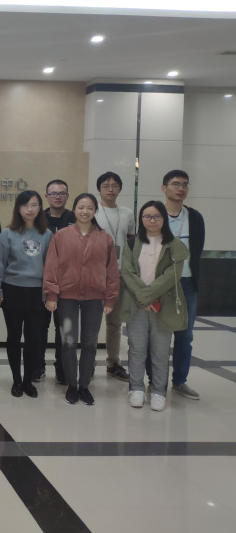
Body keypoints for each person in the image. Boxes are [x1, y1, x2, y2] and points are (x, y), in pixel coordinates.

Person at [43, 193, 119, 406]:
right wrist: (51, 294)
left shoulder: (105, 238)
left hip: (94, 298)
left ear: (95, 211)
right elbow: (51, 266)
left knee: (89, 343)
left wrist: (110, 298)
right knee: (68, 341)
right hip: (66, 298)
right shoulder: (61, 236)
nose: (85, 211)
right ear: (74, 210)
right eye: (81, 207)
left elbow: (112, 271)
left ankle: (84, 384)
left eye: (89, 208)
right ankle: (72, 384)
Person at [120, 201, 188, 412]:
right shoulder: (132, 243)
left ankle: (158, 391)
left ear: (164, 219)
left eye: (156, 216)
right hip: (137, 305)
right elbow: (127, 272)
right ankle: (136, 388)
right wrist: (143, 297)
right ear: (141, 219)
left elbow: (172, 275)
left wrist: (148, 296)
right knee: (137, 349)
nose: (151, 220)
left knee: (160, 351)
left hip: (162, 305)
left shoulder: (174, 244)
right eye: (147, 216)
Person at [147, 169, 205, 400]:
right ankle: (154, 381)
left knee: (185, 335)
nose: (181, 188)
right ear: (164, 188)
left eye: (185, 184)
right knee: (156, 335)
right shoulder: (153, 214)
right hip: (159, 283)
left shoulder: (195, 217)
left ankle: (180, 381)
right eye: (175, 184)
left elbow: (198, 249)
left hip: (187, 283)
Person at [0, 191, 53, 399]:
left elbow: (50, 266)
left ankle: (28, 380)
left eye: (34, 205)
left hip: (37, 292)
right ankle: (16, 380)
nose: (30, 209)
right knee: (13, 337)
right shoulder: (7, 233)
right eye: (25, 205)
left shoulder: (47, 234)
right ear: (18, 208)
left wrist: (48, 293)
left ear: (40, 208)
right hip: (12, 290)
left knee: (33, 339)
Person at [95, 171, 135, 382]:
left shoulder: (127, 213)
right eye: (105, 185)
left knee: (115, 323)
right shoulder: (92, 211)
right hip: (95, 275)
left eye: (114, 185)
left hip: (118, 274)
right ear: (99, 189)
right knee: (92, 323)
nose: (110, 189)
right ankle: (88, 364)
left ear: (120, 189)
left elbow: (131, 243)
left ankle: (113, 364)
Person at [38, 179, 76, 385]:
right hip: (40, 282)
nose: (58, 197)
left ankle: (62, 369)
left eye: (62, 193)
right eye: (53, 193)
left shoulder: (76, 218)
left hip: (68, 284)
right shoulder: (37, 218)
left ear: (68, 196)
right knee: (39, 327)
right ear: (46, 197)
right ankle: (38, 367)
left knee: (63, 329)